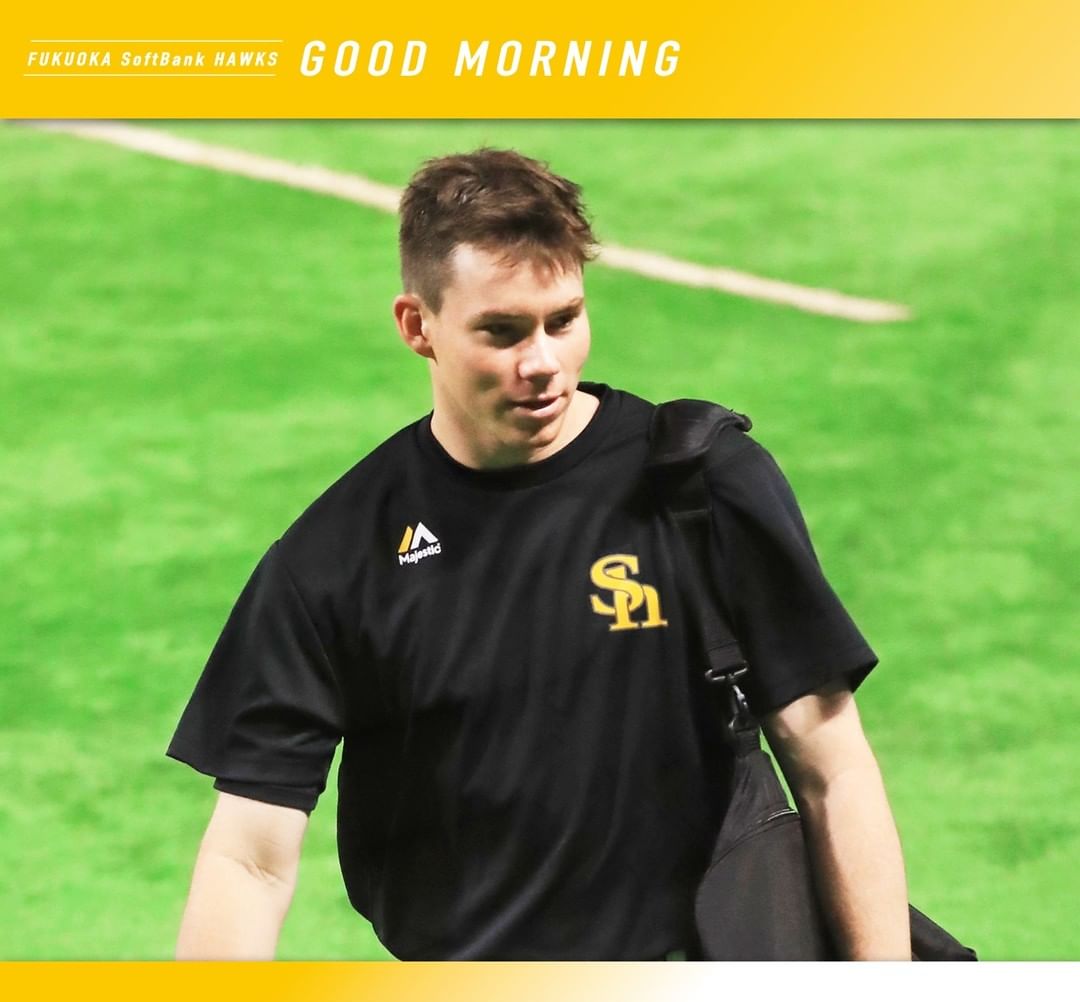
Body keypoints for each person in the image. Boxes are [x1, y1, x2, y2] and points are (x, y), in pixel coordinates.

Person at [168, 148, 910, 961]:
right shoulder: (337, 557)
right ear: (417, 326)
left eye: (564, 320)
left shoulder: (699, 486)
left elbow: (833, 769)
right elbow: (249, 858)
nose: (543, 363)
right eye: (502, 331)